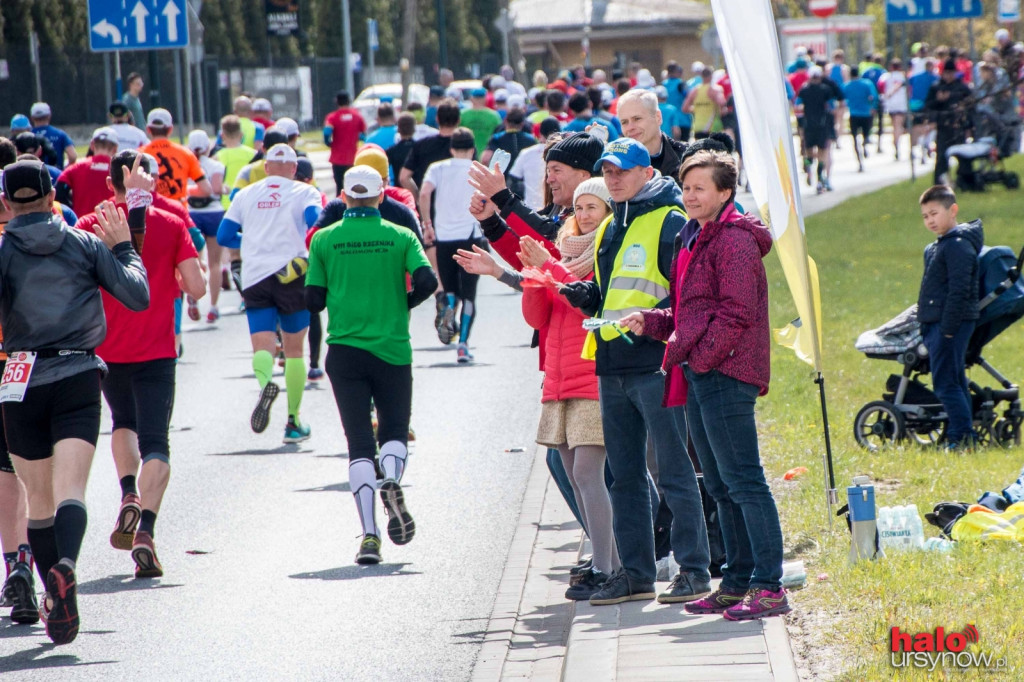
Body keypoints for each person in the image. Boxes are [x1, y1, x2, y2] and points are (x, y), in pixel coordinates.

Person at [619, 150, 789, 620]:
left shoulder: (733, 240)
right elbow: (692, 310)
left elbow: (736, 314)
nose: (690, 195)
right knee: (718, 483)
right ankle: (735, 582)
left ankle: (769, 586)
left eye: (700, 188)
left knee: (744, 481)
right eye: (686, 187)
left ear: (725, 192)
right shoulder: (696, 234)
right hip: (702, 371)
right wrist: (654, 321)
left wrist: (700, 357)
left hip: (725, 373)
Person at [0, 158, 150, 644]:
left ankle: (54, 592)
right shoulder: (83, 243)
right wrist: (125, 245)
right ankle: (66, 567)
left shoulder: (2, 251)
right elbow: (138, 295)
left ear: (5, 203)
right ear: (51, 198)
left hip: (19, 378)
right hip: (79, 373)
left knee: (38, 502)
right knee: (70, 492)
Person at [560, 138, 712, 607]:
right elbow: (612, 292)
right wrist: (586, 296)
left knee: (673, 471)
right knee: (622, 476)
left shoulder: (670, 221)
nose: (613, 178)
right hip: (611, 365)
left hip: (656, 363)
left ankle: (694, 570)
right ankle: (636, 574)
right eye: (607, 171)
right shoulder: (609, 226)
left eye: (622, 171)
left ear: (647, 173)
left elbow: (687, 295)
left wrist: (648, 322)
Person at [77, 149, 204, 578]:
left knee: (122, 424)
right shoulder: (172, 222)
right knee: (156, 442)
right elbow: (198, 287)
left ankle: (128, 492)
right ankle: (146, 531)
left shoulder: (90, 225)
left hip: (107, 348)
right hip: (156, 349)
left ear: (109, 183)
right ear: (149, 182)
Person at [305, 165, 437, 564]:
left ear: (344, 198)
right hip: (393, 349)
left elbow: (312, 300)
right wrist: (402, 302)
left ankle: (369, 537)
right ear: (382, 197)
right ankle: (392, 479)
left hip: (344, 352)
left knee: (358, 443)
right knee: (394, 431)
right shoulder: (400, 235)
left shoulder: (325, 239)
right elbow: (427, 281)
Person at [519, 178, 619, 600]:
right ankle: (608, 562)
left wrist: (551, 269)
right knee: (574, 476)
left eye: (593, 206)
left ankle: (606, 565)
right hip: (558, 380)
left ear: (609, 211)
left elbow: (584, 301)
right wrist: (534, 275)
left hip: (591, 376)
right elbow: (537, 318)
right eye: (580, 208)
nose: (584, 215)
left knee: (586, 472)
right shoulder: (563, 253)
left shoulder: (607, 250)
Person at [217, 144, 321, 442]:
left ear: (265, 167)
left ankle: (265, 384)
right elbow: (316, 221)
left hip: (255, 275)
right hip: (292, 274)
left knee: (262, 347)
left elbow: (225, 236)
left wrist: (251, 238)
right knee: (295, 351)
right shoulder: (304, 192)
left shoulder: (245, 195)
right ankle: (294, 421)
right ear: (293, 168)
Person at [916, 185, 981, 450]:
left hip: (948, 326)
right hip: (938, 324)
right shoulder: (939, 246)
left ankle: (960, 437)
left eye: (934, 213)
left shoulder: (957, 246)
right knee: (954, 382)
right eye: (925, 216)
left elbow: (959, 291)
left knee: (945, 384)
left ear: (952, 210)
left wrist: (948, 329)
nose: (930, 220)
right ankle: (965, 436)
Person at [419, 128, 481, 362]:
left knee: (451, 288)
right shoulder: (477, 170)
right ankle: (463, 344)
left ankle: (448, 306)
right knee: (470, 295)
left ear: (452, 148)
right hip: (471, 237)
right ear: (472, 149)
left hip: (444, 237)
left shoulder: (438, 168)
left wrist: (427, 224)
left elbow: (424, 194)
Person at [185, 130, 224, 321]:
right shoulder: (216, 165)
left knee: (194, 259)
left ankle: (193, 296)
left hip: (192, 213)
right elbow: (216, 189)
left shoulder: (187, 164)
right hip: (214, 213)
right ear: (208, 147)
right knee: (214, 262)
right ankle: (214, 307)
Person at [141, 109, 212, 206]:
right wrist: (184, 190)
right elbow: (206, 190)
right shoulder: (185, 153)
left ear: (148, 129)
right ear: (170, 129)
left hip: (151, 214)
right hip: (179, 212)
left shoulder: (139, 155)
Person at [618, 89, 689, 185]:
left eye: (637, 119)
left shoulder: (687, 157)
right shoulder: (616, 163)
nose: (630, 128)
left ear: (658, 117)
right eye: (624, 122)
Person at [925, 60, 973, 186]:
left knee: (963, 155)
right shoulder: (936, 87)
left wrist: (969, 126)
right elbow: (928, 106)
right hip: (943, 126)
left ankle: (964, 181)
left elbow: (971, 105)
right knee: (941, 156)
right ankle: (940, 183)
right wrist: (938, 100)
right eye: (946, 73)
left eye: (951, 73)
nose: (949, 76)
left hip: (959, 126)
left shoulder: (962, 87)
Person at [798, 66, 844, 192]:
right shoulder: (825, 90)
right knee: (822, 153)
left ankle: (808, 169)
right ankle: (819, 179)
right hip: (822, 125)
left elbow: (798, 105)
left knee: (808, 152)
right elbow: (831, 106)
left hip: (808, 125)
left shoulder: (804, 90)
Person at [55, 127, 119, 217]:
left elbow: (59, 191)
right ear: (115, 148)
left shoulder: (76, 167)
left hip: (81, 224)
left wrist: (71, 208)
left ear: (92, 145)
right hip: (111, 223)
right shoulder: (119, 169)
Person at [508, 117, 561, 210]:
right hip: (557, 209)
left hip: (530, 209)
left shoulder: (526, 153)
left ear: (540, 133)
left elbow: (513, 180)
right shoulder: (563, 153)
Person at [324, 91, 367, 194]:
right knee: (354, 189)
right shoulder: (357, 116)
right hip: (353, 159)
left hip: (337, 159)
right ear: (349, 101)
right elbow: (364, 135)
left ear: (337, 102)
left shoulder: (332, 117)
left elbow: (327, 133)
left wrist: (328, 143)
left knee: (340, 188)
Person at [844, 67, 878, 173]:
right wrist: (873, 107)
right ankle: (865, 144)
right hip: (866, 114)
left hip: (853, 114)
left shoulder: (847, 86)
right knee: (866, 134)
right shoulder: (867, 84)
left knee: (854, 138)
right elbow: (874, 96)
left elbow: (842, 98)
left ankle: (859, 160)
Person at [29, 103, 76, 171]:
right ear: (49, 116)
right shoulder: (60, 134)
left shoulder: (27, 136)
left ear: (32, 118)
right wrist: (64, 171)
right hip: (56, 175)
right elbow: (73, 156)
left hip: (34, 175)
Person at [682, 67, 724, 140]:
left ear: (701, 76)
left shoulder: (695, 90)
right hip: (713, 127)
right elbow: (722, 102)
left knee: (701, 151)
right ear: (711, 76)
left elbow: (684, 108)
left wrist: (697, 108)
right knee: (713, 151)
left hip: (698, 128)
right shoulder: (716, 89)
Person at [879, 60, 909, 160]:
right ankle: (897, 144)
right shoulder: (902, 76)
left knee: (894, 125)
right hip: (900, 104)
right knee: (898, 126)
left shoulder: (886, 76)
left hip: (890, 104)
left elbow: (880, 87)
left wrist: (887, 96)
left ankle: (895, 143)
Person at [460, 88, 503, 155]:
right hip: (488, 155)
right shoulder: (493, 116)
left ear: (471, 99)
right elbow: (500, 135)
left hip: (466, 154)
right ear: (485, 99)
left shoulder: (462, 115)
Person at [387, 113, 417, 182]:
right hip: (418, 189)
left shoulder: (391, 151)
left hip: (399, 190)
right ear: (414, 129)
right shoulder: (421, 148)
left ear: (398, 129)